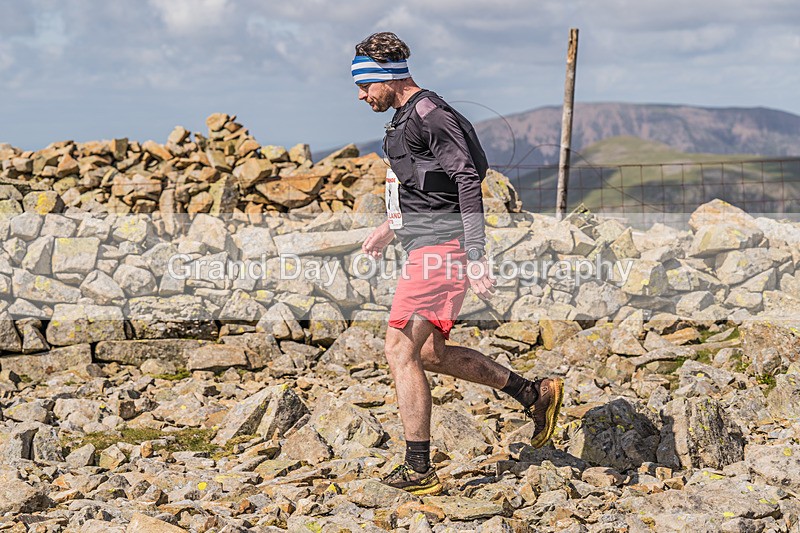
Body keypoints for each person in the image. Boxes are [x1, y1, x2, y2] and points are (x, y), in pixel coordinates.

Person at [353, 32, 564, 496]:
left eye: (365, 86)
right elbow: (428, 189)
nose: (362, 96)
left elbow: (467, 179)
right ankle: (533, 394)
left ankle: (418, 468)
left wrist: (476, 254)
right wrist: (391, 227)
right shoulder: (406, 118)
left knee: (398, 350)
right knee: (429, 354)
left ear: (387, 76)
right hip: (426, 245)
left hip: (441, 250)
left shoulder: (429, 113)